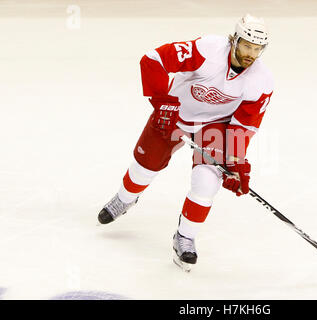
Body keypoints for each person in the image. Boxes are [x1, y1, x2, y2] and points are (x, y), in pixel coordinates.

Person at [98, 14, 274, 272]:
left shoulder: (262, 80)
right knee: (145, 167)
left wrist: (235, 163)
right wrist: (162, 103)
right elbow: (153, 60)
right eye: (247, 45)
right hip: (174, 114)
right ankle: (125, 199)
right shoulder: (208, 50)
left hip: (215, 125)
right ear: (234, 39)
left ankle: (185, 236)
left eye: (257, 49)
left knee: (207, 183)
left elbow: (245, 124)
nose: (251, 53)